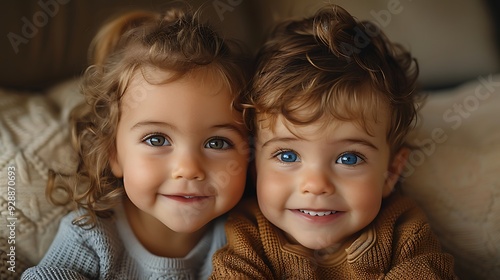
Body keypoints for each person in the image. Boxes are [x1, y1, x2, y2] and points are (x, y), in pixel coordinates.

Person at [210, 4, 458, 279]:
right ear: (254, 164)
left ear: (391, 172)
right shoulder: (250, 233)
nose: (316, 185)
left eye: (348, 158)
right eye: (287, 156)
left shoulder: (403, 231)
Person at [22, 6, 250, 280]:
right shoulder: (91, 235)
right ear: (114, 153)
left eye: (217, 143)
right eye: (157, 139)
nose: (189, 168)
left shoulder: (245, 238)